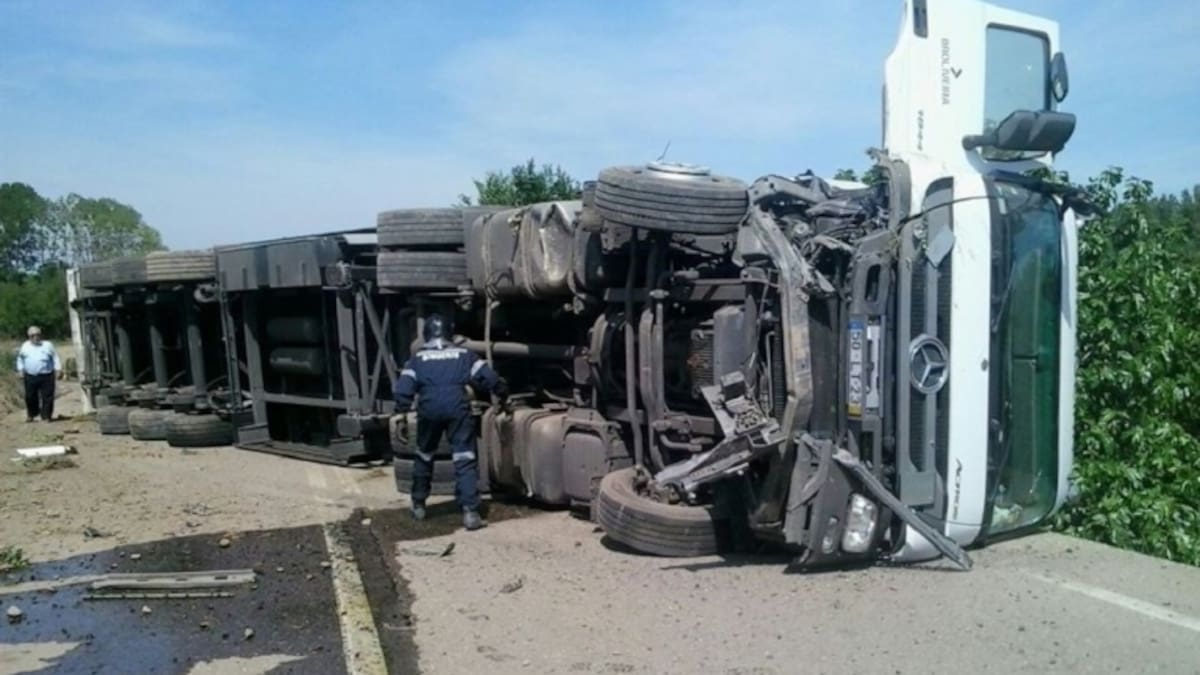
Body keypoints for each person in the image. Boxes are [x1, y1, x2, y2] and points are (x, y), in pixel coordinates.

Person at [393, 313, 507, 530]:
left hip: (429, 410)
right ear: (449, 332)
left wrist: (400, 415)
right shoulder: (465, 355)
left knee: (424, 454)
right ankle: (470, 513)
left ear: (427, 334)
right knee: (464, 457)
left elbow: (404, 389)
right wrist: (503, 393)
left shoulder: (416, 359)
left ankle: (418, 504)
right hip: (457, 408)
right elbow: (489, 378)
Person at [15, 325, 62, 422]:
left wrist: (58, 369)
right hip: (30, 375)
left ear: (41, 335)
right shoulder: (25, 346)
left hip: (46, 375)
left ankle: (46, 416)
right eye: (33, 335)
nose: (36, 337)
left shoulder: (48, 345)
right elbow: (20, 359)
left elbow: (55, 357)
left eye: (37, 335)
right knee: (30, 396)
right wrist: (20, 370)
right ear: (29, 337)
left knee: (48, 396)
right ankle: (32, 414)